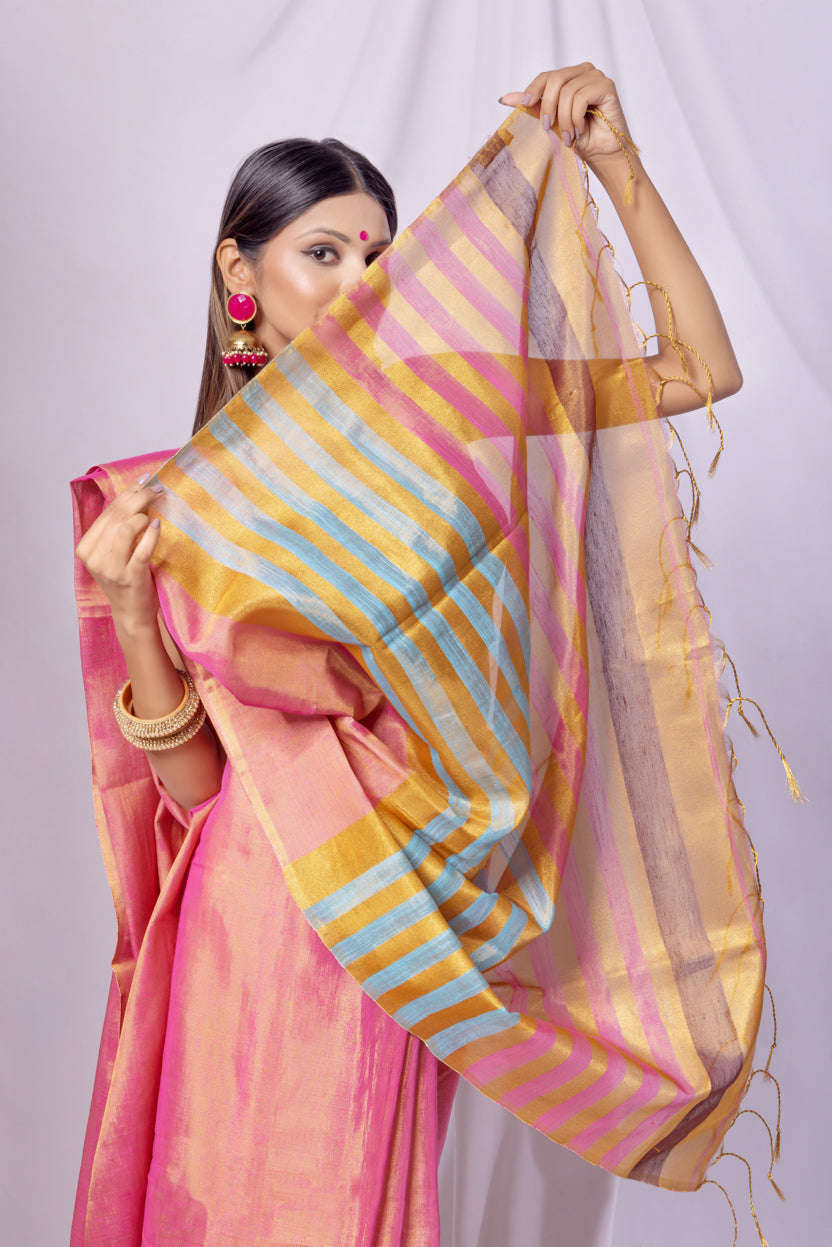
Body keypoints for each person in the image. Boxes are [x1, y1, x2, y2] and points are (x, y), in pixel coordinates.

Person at [72, 66, 749, 1246]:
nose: (357, 283)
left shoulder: (443, 400)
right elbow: (195, 791)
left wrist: (616, 170)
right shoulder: (179, 501)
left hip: (406, 895)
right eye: (322, 252)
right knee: (223, 1194)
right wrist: (132, 607)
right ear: (241, 274)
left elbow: (699, 368)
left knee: (349, 1200)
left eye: (378, 256)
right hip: (265, 895)